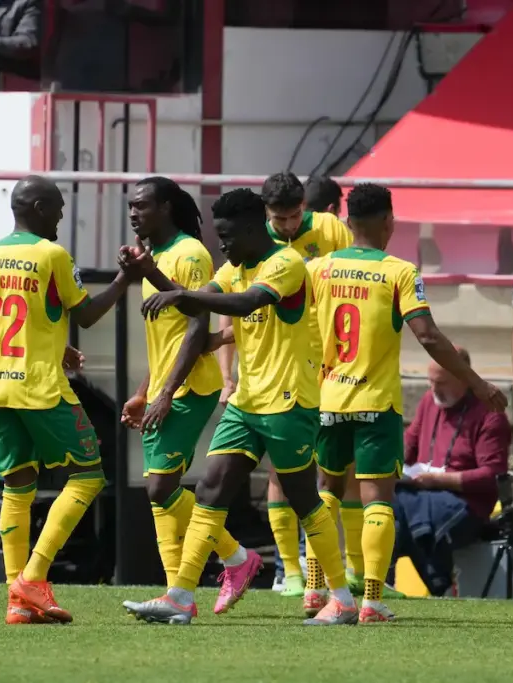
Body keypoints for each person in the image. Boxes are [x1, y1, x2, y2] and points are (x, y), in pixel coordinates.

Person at [125, 188, 356, 626]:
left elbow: (246, 302)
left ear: (252, 229)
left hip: (288, 402)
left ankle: (342, 598)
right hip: (246, 402)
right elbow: (196, 300)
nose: (223, 245)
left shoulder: (285, 263)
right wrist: (153, 273)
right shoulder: (235, 267)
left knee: (304, 499)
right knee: (210, 489)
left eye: (227, 236)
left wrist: (182, 296)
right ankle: (181, 596)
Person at [307, 183, 508, 619]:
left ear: (347, 222)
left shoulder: (318, 268)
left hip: (328, 398)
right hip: (375, 402)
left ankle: (315, 587)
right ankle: (371, 600)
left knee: (327, 492)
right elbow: (429, 336)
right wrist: (476, 383)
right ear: (389, 222)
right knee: (377, 499)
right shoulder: (399, 271)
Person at [0, 175, 130, 625]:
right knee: (89, 476)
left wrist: (54, 344)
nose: (62, 216)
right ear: (39, 207)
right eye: (58, 208)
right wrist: (126, 278)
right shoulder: (52, 255)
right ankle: (33, 576)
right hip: (40, 387)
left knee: (17, 488)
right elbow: (87, 314)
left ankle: (16, 600)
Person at [115, 177, 259, 619]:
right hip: (165, 387)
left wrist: (166, 393)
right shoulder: (154, 257)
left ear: (166, 208)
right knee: (160, 496)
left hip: (190, 388)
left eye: (142, 205)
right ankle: (176, 598)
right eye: (131, 206)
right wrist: (143, 392)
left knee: (160, 488)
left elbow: (197, 326)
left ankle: (236, 557)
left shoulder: (191, 254)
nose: (134, 213)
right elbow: (167, 338)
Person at [223, 171, 354, 599]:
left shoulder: (329, 230)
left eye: (294, 216)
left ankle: (340, 575)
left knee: (331, 472)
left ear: (305, 208)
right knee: (280, 473)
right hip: (273, 373)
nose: (288, 226)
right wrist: (227, 376)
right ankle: (289, 571)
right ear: (266, 214)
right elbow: (231, 307)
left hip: (326, 367)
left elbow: (349, 285)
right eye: (279, 219)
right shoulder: (253, 243)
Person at [398, 347, 511, 596]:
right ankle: (438, 585)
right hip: (422, 496)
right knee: (389, 500)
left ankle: (387, 582)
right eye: (430, 381)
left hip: (466, 505)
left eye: (440, 383)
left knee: (400, 511)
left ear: (464, 378)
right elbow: (409, 443)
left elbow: (492, 476)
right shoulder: (429, 401)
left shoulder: (489, 414)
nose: (433, 388)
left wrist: (440, 481)